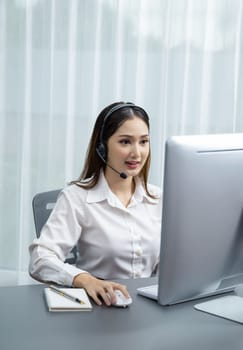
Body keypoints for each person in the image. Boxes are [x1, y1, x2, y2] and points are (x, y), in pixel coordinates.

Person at [29, 101, 162, 306]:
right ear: (102, 147)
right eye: (125, 142)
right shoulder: (77, 197)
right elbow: (40, 258)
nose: (137, 153)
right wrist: (84, 280)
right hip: (99, 307)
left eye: (143, 141)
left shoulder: (158, 198)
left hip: (147, 306)